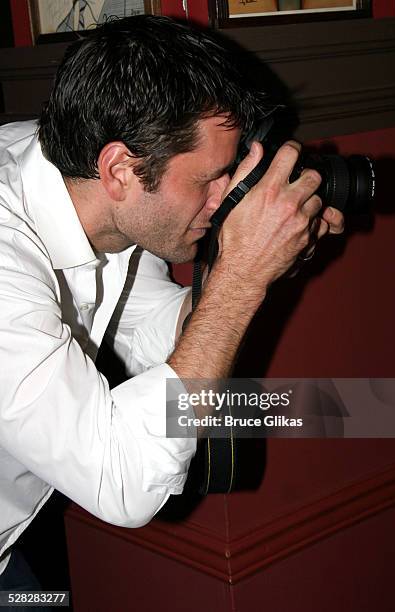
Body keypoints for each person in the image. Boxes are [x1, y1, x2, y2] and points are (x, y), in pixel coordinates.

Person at [0, 15, 343, 590]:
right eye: (209, 179)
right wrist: (238, 284)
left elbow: (152, 330)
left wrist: (250, 259)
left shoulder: (84, 179)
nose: (223, 195)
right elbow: (123, 479)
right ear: (120, 170)